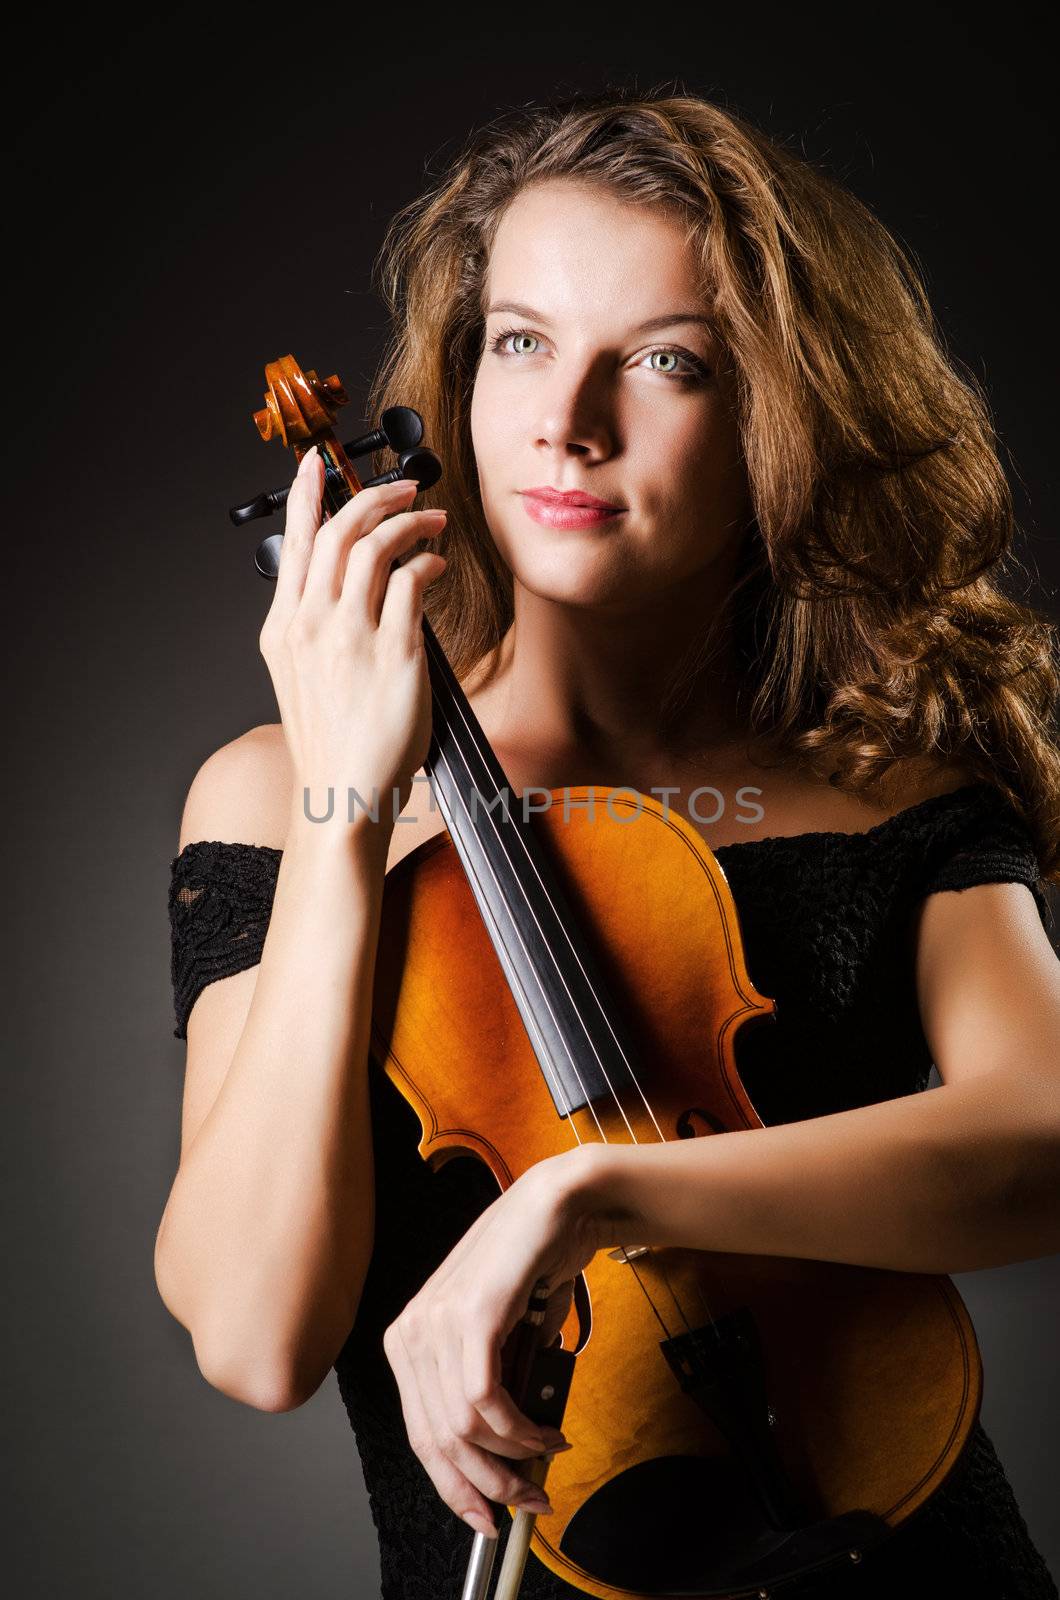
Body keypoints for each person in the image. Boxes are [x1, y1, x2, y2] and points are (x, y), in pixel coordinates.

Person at [157, 87, 1060, 1599]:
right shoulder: (278, 794)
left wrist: (587, 1195)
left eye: (663, 362)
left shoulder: (889, 783)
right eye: (521, 341)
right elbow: (256, 1336)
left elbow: (1044, 1139)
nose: (565, 423)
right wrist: (350, 805)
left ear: (781, 408)